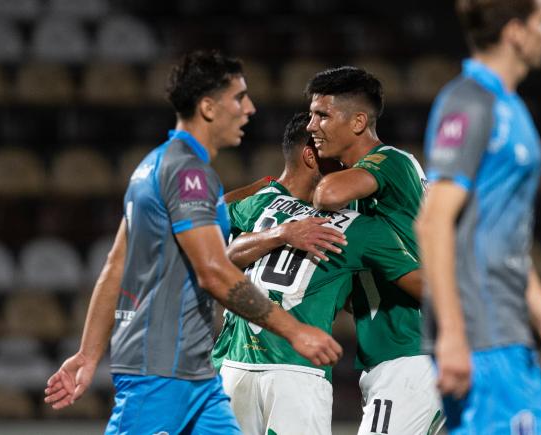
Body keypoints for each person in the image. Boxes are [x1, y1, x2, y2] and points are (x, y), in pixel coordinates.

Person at [43, 50, 342, 435]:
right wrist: (295, 330)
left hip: (194, 373)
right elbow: (214, 271)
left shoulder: (155, 165)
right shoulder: (188, 175)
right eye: (239, 97)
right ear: (208, 107)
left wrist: (87, 353)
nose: (249, 109)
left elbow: (116, 266)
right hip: (160, 370)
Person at [415, 0, 541, 433]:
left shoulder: (509, 106)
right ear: (515, 32)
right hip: (482, 339)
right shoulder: (469, 101)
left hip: (506, 334)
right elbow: (433, 221)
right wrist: (453, 336)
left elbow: (501, 240)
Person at [210, 112, 426, 435]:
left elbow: (213, 227)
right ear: (311, 156)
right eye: (334, 157)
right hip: (297, 373)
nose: (347, 167)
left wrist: (270, 198)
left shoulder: (262, 204)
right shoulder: (356, 227)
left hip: (235, 367)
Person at [307, 67, 444, 434]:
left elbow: (325, 194)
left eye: (322, 115)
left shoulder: (391, 162)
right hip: (389, 356)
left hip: (412, 354)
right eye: (310, 115)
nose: (311, 126)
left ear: (358, 122)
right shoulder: (366, 190)